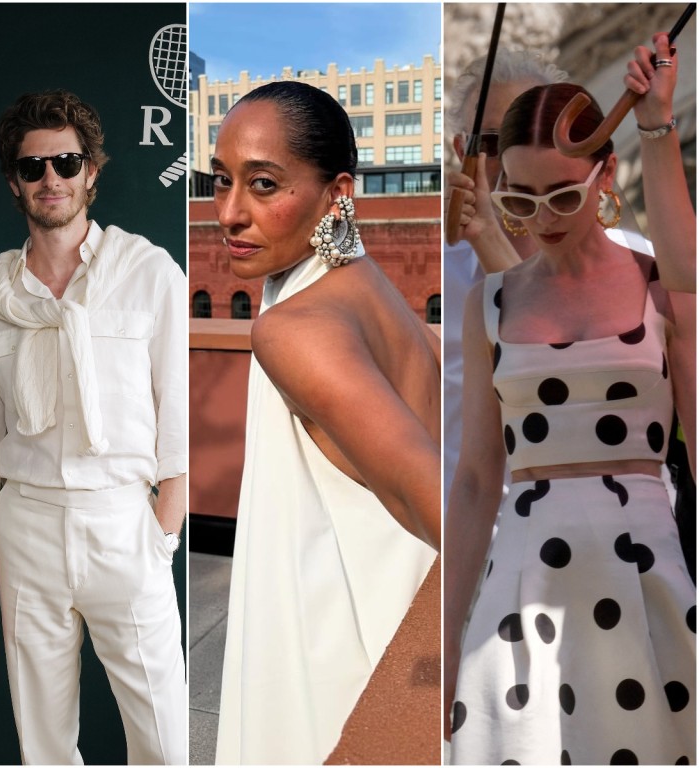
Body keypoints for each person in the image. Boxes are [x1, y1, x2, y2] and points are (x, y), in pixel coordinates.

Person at [445, 33, 695, 765]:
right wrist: (448, 636)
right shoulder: (489, 301)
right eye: (520, 197)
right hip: (523, 571)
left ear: (604, 172)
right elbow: (475, 481)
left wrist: (657, 124)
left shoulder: (659, 282)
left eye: (561, 194)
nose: (543, 217)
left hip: (646, 566)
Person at [0, 89, 187, 765]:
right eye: (33, 167)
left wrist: (163, 532)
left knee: (165, 742)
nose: (51, 178)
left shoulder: (149, 274)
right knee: (45, 747)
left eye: (67, 162)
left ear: (91, 172)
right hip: (26, 532)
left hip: (125, 525)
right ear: (14, 183)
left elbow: (180, 415)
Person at [210, 80, 440, 764]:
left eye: (263, 184)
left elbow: (438, 501)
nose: (231, 213)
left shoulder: (294, 328)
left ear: (337, 193)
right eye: (221, 181)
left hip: (346, 680)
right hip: (389, 639)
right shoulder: (373, 292)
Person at [444, 50, 569, 515]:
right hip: (469, 534)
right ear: (463, 151)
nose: (518, 158)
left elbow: (561, 370)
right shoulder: (440, 270)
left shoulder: (630, 260)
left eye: (535, 134)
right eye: (496, 142)